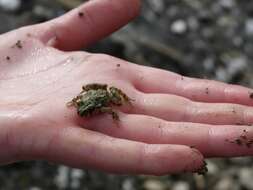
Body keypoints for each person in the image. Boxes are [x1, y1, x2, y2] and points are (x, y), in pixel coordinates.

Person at [0, 0, 253, 175]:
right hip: (91, 93)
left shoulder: (102, 104)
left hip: (101, 94)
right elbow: (81, 100)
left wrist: (117, 112)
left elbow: (107, 108)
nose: (83, 113)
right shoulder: (81, 104)